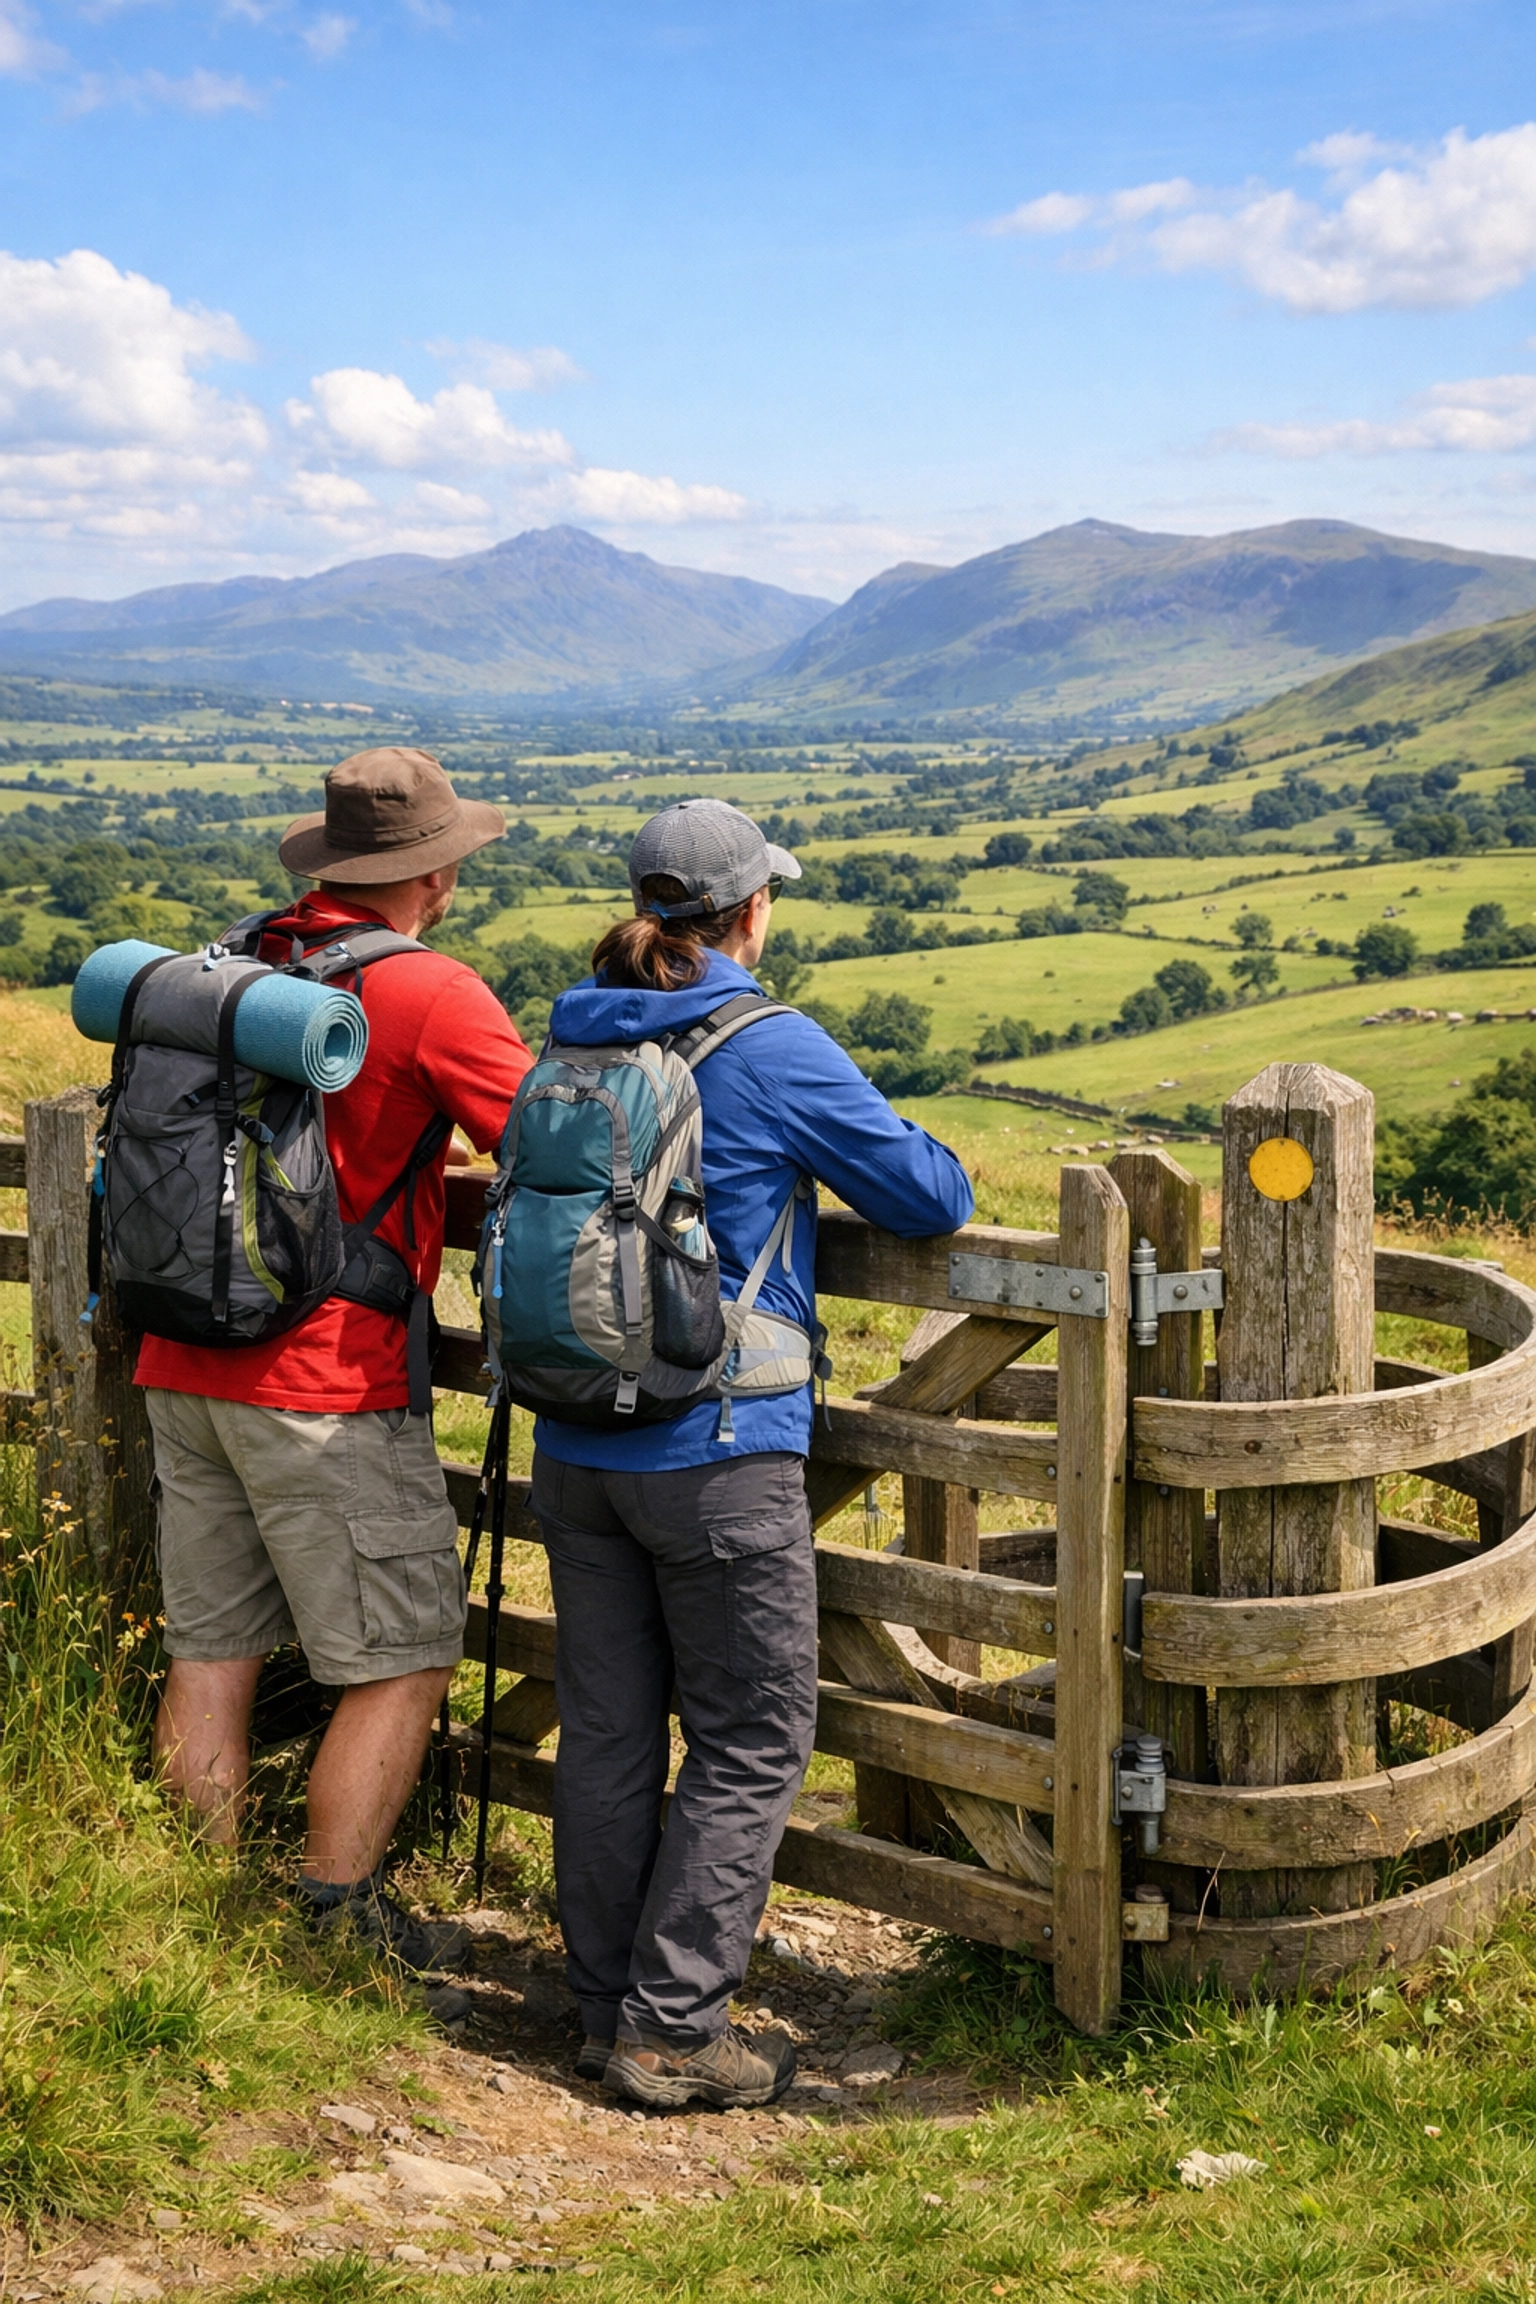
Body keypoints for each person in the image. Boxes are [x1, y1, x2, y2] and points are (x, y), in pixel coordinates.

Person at [530, 796, 974, 2108]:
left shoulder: (570, 1027)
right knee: (755, 1731)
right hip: (717, 1447)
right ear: (750, 914)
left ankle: (604, 2008)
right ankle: (674, 2035)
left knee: (609, 1732)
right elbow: (927, 1193)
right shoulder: (768, 1042)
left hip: (577, 1441)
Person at [137, 747, 533, 1975]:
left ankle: (190, 1928)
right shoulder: (430, 992)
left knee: (211, 1654)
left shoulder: (240, 959)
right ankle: (334, 1929)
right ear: (436, 869)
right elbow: (549, 1141)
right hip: (326, 1380)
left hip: (184, 1356)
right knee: (405, 1656)